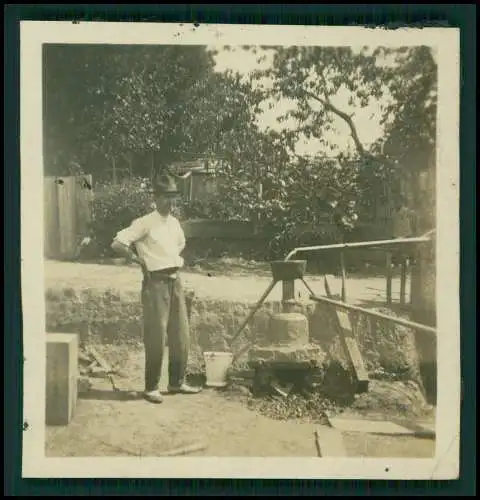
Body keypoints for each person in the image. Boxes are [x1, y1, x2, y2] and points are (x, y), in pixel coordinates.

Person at [111, 173, 201, 404]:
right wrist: (137, 259)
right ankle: (151, 387)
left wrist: (170, 261)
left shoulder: (174, 223)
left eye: (173, 197)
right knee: (156, 336)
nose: (170, 202)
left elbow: (180, 245)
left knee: (181, 334)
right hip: (156, 283)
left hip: (175, 281)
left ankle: (176, 382)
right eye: (165, 197)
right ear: (156, 198)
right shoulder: (145, 222)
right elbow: (117, 243)